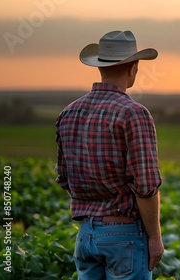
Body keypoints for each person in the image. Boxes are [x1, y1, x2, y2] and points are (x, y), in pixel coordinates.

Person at [55, 30, 164, 279]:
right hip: (124, 236)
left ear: (100, 67)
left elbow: (63, 178)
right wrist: (155, 237)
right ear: (133, 67)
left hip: (85, 235)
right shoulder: (134, 113)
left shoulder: (68, 113)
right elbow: (145, 186)